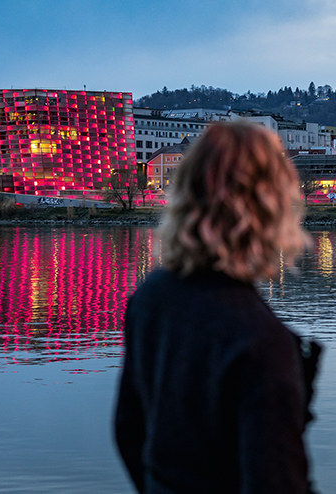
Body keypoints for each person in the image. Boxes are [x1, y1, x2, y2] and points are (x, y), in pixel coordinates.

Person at [115, 121, 319, 493]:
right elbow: (274, 482)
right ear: (270, 206)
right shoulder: (260, 340)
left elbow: (128, 429)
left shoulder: (150, 297)